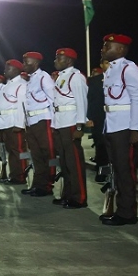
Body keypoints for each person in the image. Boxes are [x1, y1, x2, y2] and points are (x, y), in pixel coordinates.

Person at [100, 33, 138, 226]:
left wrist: (135, 129)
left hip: (125, 127)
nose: (102, 50)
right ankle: (122, 209)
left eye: (106, 46)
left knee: (125, 171)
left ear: (120, 49)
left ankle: (127, 214)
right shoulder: (111, 70)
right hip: (112, 124)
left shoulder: (129, 69)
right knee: (118, 170)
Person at [51, 48, 88, 209]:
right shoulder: (60, 78)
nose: (55, 61)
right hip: (60, 122)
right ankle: (67, 194)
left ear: (69, 61)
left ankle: (79, 197)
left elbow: (81, 102)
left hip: (71, 122)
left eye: (59, 58)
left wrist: (80, 126)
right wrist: (54, 124)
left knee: (74, 163)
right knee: (65, 163)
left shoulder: (76, 77)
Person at [22, 52, 56, 197]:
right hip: (32, 122)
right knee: (36, 155)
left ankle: (47, 185)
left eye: (26, 63)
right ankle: (38, 184)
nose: (24, 66)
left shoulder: (44, 77)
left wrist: (54, 123)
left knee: (47, 154)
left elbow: (53, 100)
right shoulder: (31, 80)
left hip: (43, 120)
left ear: (35, 63)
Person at [0, 60, 28, 184]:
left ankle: (20, 176)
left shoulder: (21, 84)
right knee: (11, 151)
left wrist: (19, 124)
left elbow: (22, 105)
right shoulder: (8, 84)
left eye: (8, 68)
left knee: (17, 150)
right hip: (5, 122)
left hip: (14, 122)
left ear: (16, 70)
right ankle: (14, 175)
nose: (5, 70)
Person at [86, 66, 108, 182]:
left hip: (117, 118)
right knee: (100, 146)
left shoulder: (122, 77)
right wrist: (89, 117)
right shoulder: (95, 80)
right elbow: (90, 100)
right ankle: (101, 172)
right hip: (99, 118)